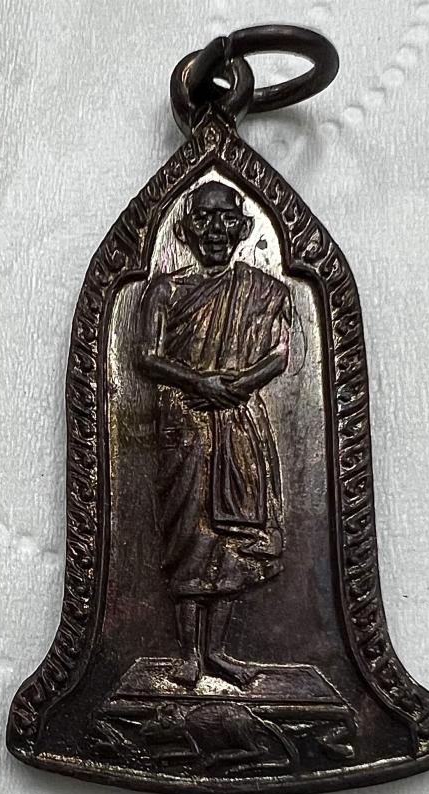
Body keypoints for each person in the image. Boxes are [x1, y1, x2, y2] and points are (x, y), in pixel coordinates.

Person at [137, 181, 292, 687]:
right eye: (202, 219)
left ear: (244, 229)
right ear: (184, 231)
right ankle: (188, 655)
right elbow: (147, 357)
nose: (215, 230)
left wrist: (237, 386)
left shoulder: (264, 290)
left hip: (239, 422)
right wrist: (197, 382)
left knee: (231, 543)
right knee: (189, 535)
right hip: (185, 424)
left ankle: (219, 653)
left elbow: (278, 355)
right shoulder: (165, 290)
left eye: (226, 220)